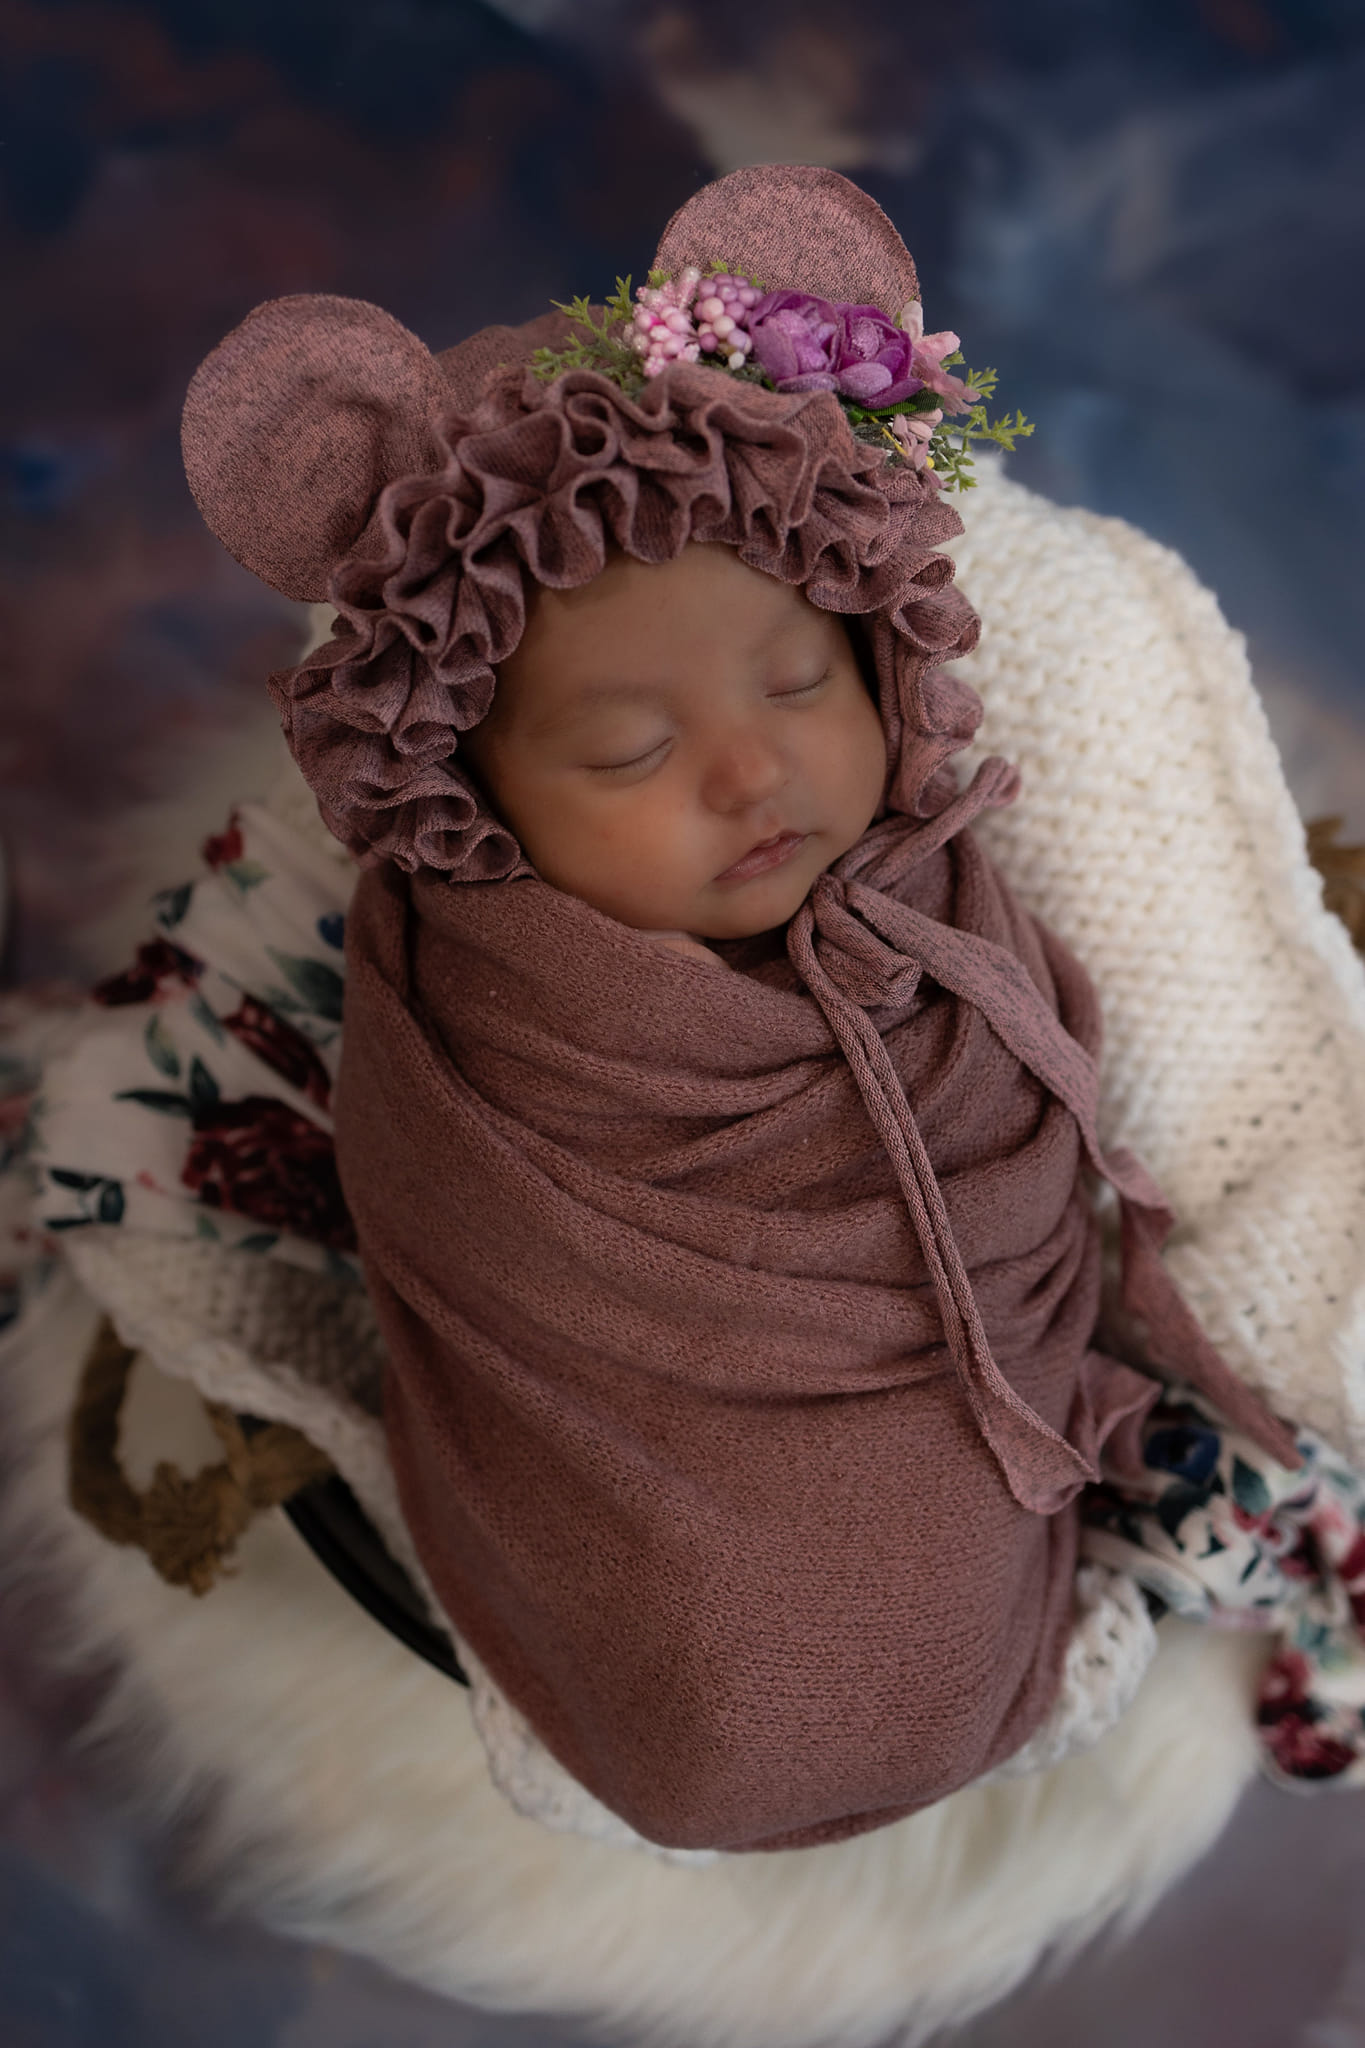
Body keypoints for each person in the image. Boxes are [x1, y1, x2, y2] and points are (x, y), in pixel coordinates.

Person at [179, 164, 1300, 1854]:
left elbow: (1026, 1141)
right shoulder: (497, 1002)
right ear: (462, 800)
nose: (750, 770)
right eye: (626, 752)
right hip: (653, 1547)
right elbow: (470, 1249)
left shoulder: (923, 871)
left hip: (964, 1549)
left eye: (800, 681)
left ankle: (916, 1660)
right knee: (738, 1634)